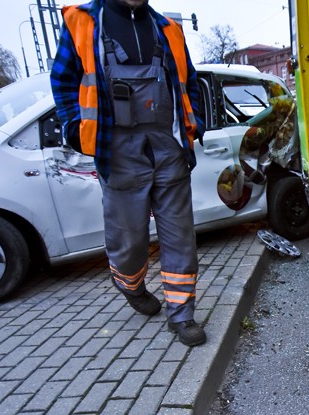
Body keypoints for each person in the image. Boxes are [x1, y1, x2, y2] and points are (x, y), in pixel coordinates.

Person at [50, 0, 207, 346]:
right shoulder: (82, 22)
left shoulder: (168, 29)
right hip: (116, 148)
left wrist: (194, 121)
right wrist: (74, 127)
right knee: (129, 239)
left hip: (168, 145)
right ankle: (130, 284)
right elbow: (63, 80)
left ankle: (182, 314)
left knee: (180, 236)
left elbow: (190, 81)